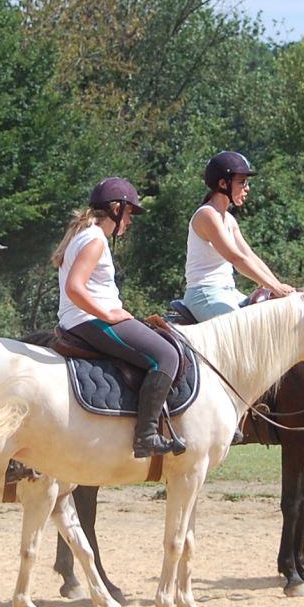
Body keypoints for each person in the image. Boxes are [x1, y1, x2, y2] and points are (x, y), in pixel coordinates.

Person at [55, 177, 183, 458]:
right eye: (129, 212)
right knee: (167, 356)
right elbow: (74, 287)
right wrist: (108, 314)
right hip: (90, 321)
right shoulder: (95, 240)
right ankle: (146, 435)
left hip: (78, 320)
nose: (130, 219)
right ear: (115, 208)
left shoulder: (83, 234)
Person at [182, 150, 295, 320]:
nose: (247, 188)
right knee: (240, 338)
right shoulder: (207, 215)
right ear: (223, 183)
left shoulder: (228, 219)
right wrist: (275, 287)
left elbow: (249, 256)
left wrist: (278, 286)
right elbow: (236, 259)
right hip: (204, 293)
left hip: (228, 292)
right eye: (242, 182)